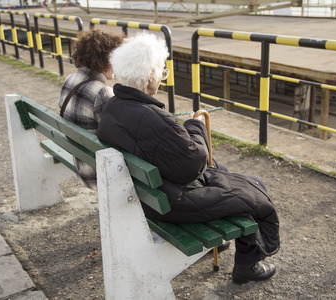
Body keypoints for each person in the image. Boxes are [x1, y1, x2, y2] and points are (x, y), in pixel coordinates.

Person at [97, 32, 280, 284]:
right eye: (161, 71)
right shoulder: (154, 118)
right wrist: (195, 126)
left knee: (228, 176)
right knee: (254, 188)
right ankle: (247, 266)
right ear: (150, 74)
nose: (162, 78)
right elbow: (192, 165)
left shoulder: (113, 106)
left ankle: (236, 253)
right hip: (171, 205)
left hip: (147, 195)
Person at [58, 29, 123, 188]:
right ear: (105, 60)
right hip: (98, 172)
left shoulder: (71, 79)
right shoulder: (102, 92)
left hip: (81, 162)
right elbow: (117, 138)